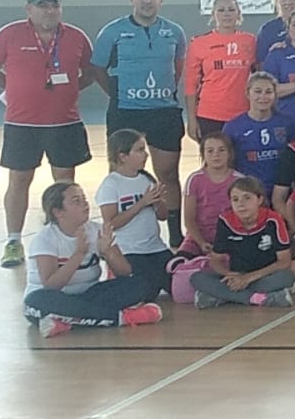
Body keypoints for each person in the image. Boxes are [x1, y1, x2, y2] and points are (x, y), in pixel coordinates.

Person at [0, 0, 98, 269]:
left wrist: (69, 90)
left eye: (54, 6)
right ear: (29, 9)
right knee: (19, 180)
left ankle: (65, 237)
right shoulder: (8, 34)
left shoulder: (76, 37)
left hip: (64, 123)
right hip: (22, 124)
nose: (49, 11)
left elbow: (90, 73)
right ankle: (13, 241)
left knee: (64, 183)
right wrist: (13, 88)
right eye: (42, 6)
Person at [92, 0, 189, 247]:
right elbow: (97, 68)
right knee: (121, 173)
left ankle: (175, 234)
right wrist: (117, 94)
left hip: (164, 112)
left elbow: (177, 67)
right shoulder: (112, 32)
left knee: (168, 174)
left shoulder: (175, 32)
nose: (147, 0)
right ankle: (118, 233)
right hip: (125, 112)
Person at [23, 183, 163, 339]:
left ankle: (68, 321)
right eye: (76, 201)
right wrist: (79, 254)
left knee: (140, 284)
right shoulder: (45, 239)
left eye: (84, 199)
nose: (85, 204)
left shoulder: (97, 230)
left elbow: (125, 273)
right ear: (58, 212)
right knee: (37, 301)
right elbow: (51, 285)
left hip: (89, 295)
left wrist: (108, 253)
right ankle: (122, 318)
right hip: (54, 297)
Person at [190, 176, 295, 309]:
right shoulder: (225, 220)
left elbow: (284, 261)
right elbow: (215, 260)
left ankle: (222, 296)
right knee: (197, 278)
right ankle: (257, 298)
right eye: (235, 199)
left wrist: (248, 278)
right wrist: (229, 274)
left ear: (259, 200)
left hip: (263, 275)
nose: (241, 204)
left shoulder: (273, 220)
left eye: (247, 198)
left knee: (286, 277)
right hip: (237, 273)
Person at [94, 128, 172, 300]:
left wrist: (158, 202)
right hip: (129, 250)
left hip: (155, 247)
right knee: (145, 290)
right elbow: (111, 223)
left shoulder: (146, 179)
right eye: (139, 150)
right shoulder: (111, 184)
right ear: (123, 156)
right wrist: (141, 203)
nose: (146, 155)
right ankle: (115, 273)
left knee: (177, 284)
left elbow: (163, 216)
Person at [184, 0, 256, 141]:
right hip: (209, 115)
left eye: (231, 10)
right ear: (213, 14)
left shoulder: (250, 41)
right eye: (221, 10)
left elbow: (261, 73)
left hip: (242, 113)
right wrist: (191, 119)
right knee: (214, 154)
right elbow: (191, 84)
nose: (226, 14)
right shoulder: (199, 43)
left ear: (238, 14)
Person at [224, 72, 295, 196]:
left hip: (281, 191)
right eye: (258, 91)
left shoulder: (286, 124)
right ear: (248, 93)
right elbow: (228, 163)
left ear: (275, 95)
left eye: (268, 92)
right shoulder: (233, 126)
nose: (263, 96)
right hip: (248, 192)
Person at [180, 131, 241, 258]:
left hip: (230, 238)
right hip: (197, 239)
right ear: (203, 154)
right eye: (210, 151)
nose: (216, 155)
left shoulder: (239, 180)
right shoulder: (194, 179)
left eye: (221, 150)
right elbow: (189, 220)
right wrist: (201, 243)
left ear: (230, 153)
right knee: (176, 264)